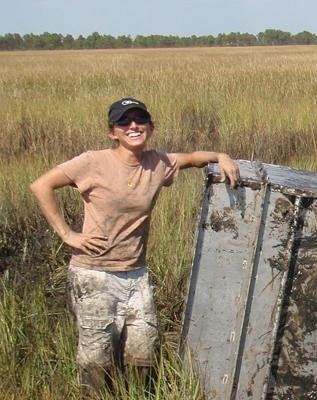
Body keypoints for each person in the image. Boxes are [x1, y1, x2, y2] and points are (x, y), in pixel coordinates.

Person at [30, 97, 240, 397]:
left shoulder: (158, 163)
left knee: (143, 353)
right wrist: (67, 234)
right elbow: (41, 185)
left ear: (151, 128)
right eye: (124, 122)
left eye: (140, 120)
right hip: (93, 274)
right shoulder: (93, 161)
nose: (133, 126)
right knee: (96, 361)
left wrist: (222, 155)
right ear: (112, 132)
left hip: (136, 275)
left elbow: (192, 157)